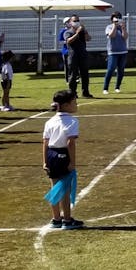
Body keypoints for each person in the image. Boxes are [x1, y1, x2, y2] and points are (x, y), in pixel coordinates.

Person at [42, 89, 84, 229]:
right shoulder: (72, 121)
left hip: (51, 155)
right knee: (65, 189)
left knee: (55, 187)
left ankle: (56, 219)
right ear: (66, 105)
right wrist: (72, 162)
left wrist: (45, 161)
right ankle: (67, 219)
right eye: (74, 102)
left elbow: (45, 143)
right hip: (63, 155)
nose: (76, 105)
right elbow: (70, 143)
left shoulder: (50, 121)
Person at [64, 15, 92, 98]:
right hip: (73, 55)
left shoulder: (82, 32)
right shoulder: (68, 32)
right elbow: (68, 41)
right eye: (75, 21)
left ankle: (85, 92)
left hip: (83, 54)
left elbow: (88, 38)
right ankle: (72, 93)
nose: (77, 22)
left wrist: (85, 31)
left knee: (85, 74)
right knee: (73, 75)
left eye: (78, 20)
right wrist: (77, 33)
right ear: (71, 23)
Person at [102, 11, 128, 95]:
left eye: (119, 17)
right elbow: (111, 36)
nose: (117, 19)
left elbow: (125, 37)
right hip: (112, 52)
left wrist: (123, 28)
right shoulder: (109, 27)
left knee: (121, 70)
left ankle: (117, 87)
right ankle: (105, 88)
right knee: (111, 69)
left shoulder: (122, 27)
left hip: (123, 51)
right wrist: (114, 26)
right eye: (116, 17)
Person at [58, 17, 72, 86]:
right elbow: (60, 41)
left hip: (72, 50)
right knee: (66, 66)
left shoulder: (73, 30)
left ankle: (75, 77)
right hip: (65, 51)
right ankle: (67, 79)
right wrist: (66, 41)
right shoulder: (62, 31)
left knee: (73, 65)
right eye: (68, 22)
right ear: (65, 23)